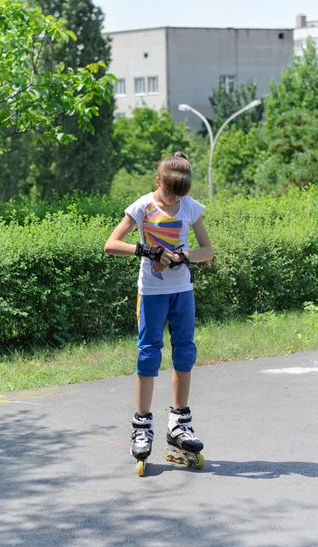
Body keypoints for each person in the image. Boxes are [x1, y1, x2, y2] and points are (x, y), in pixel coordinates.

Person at [104, 152, 213, 465]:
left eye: (179, 194)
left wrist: (184, 256)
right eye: (168, 192)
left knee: (185, 351)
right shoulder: (142, 206)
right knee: (149, 353)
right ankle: (142, 426)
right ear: (158, 181)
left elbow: (207, 250)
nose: (173, 199)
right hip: (152, 292)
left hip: (182, 290)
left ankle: (179, 424)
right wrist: (147, 250)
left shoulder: (190, 208)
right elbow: (111, 244)